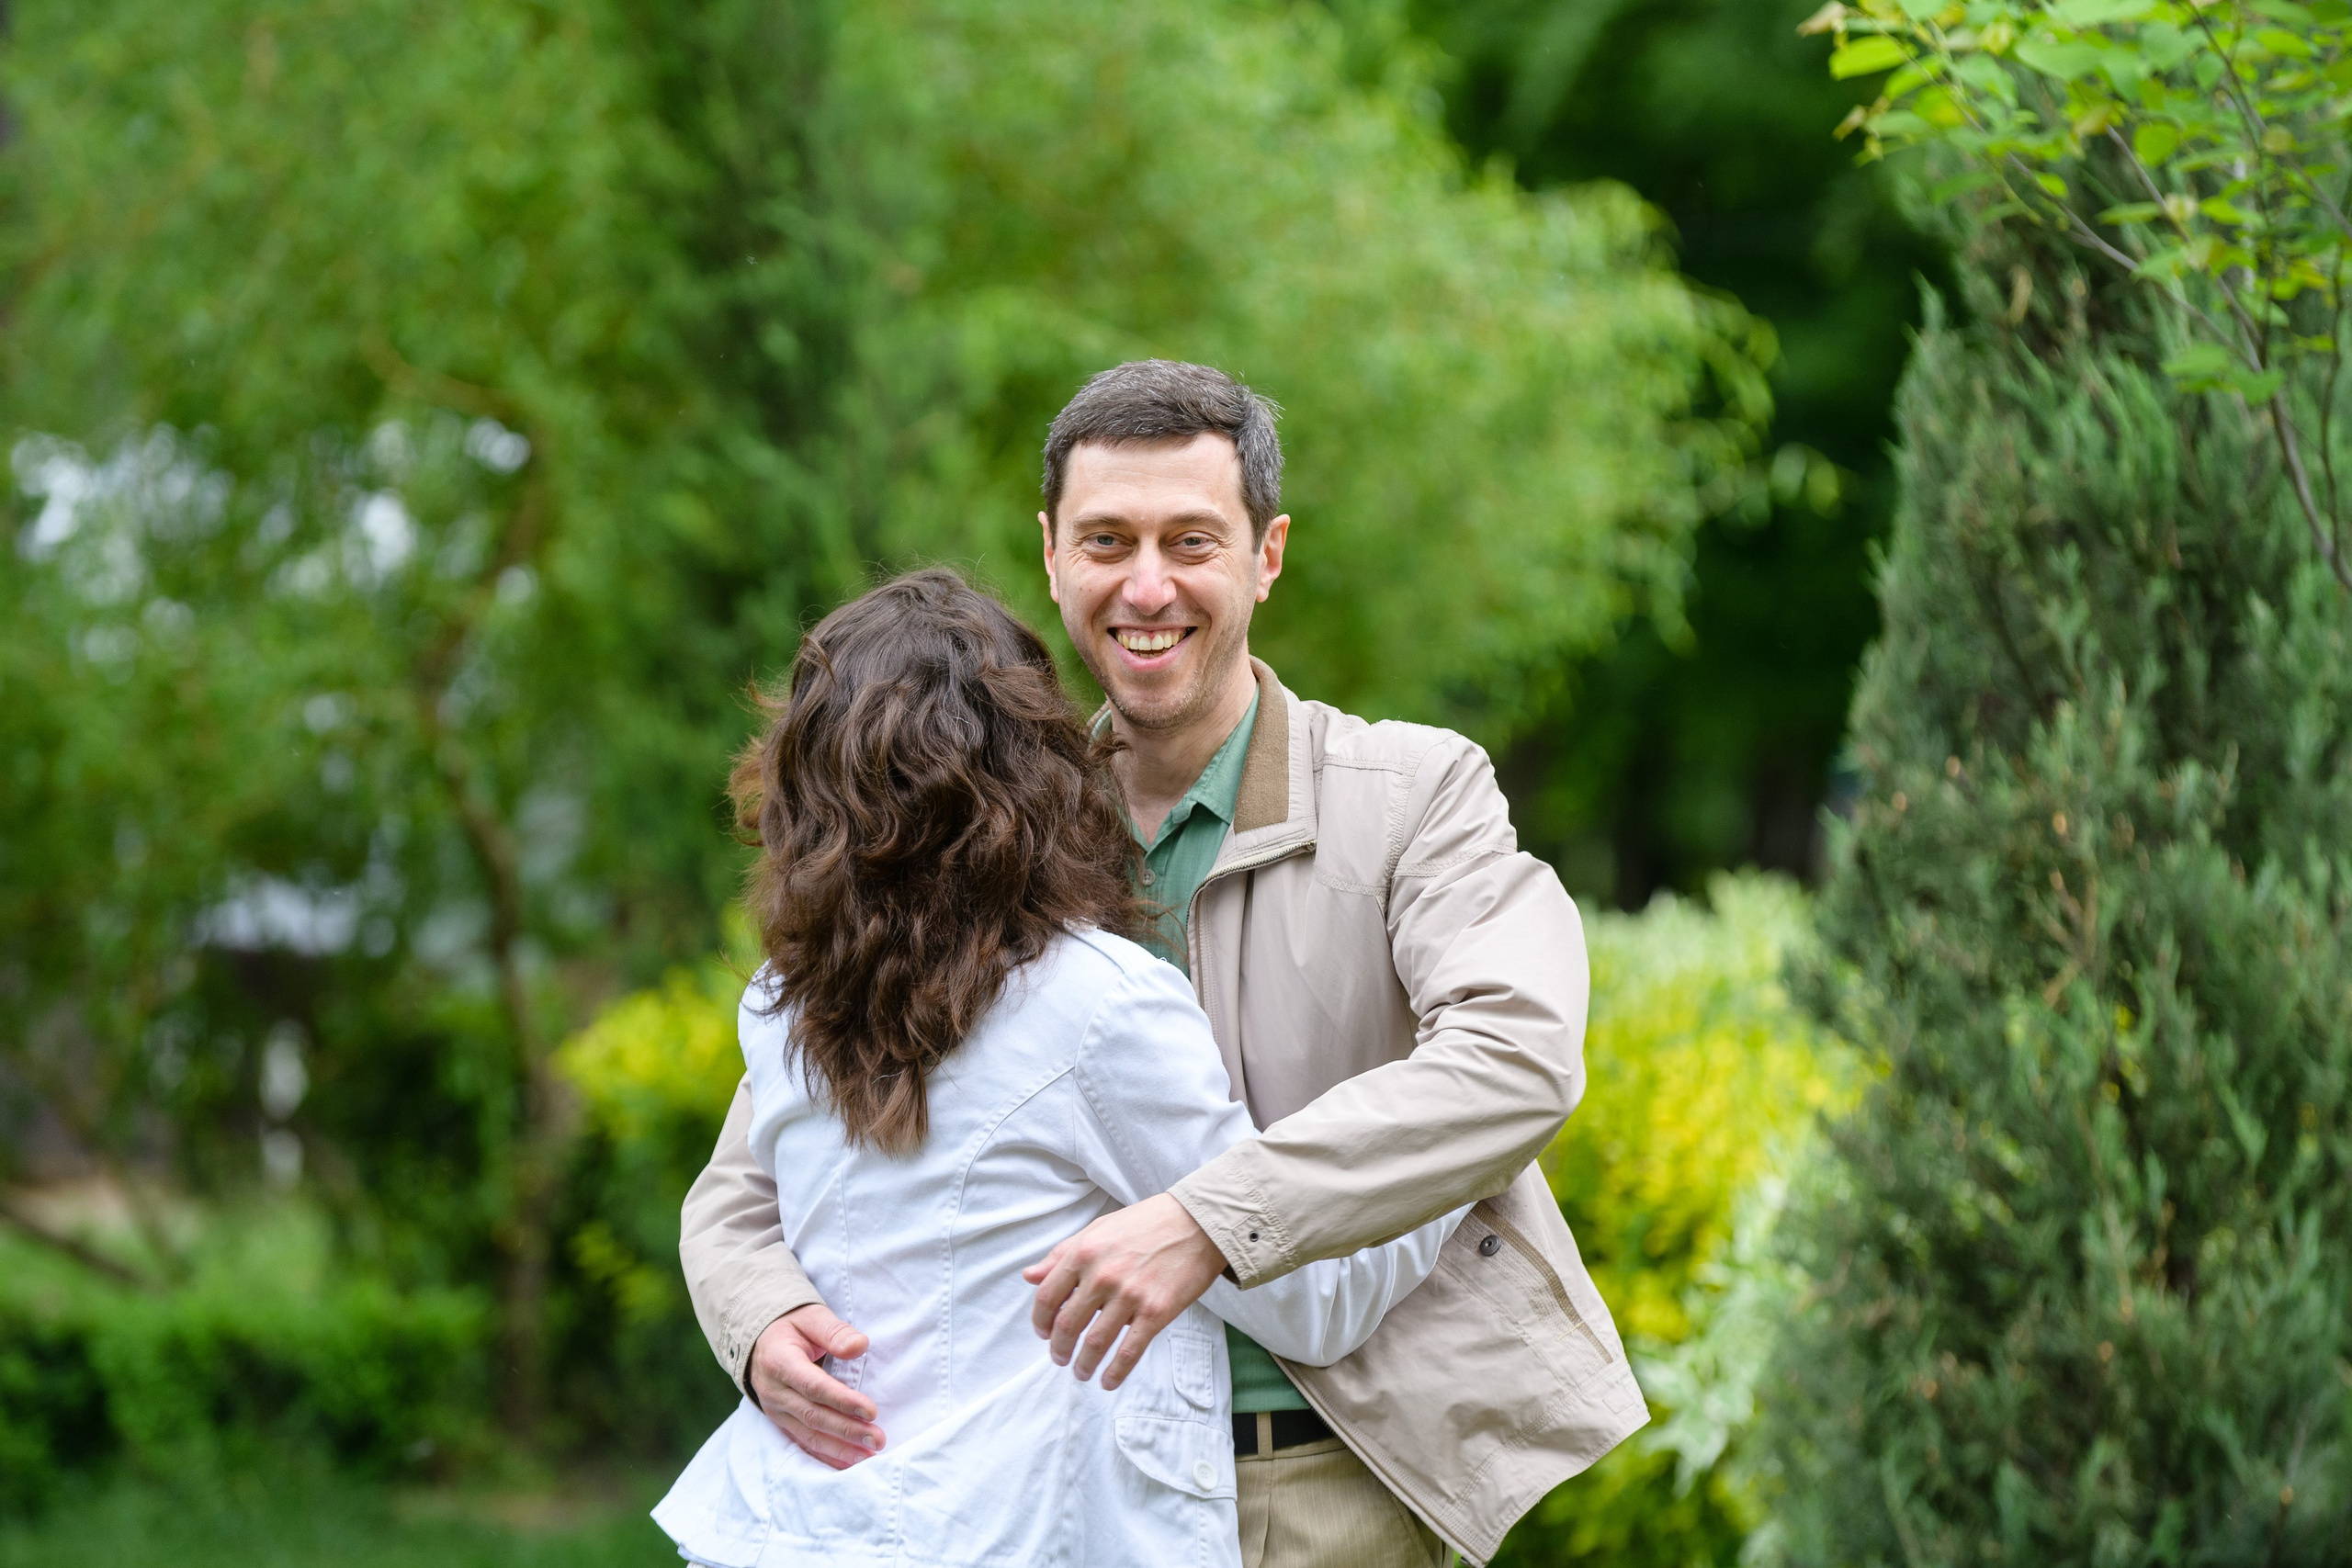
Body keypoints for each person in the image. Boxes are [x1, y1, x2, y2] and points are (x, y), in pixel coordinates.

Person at [680, 361, 1646, 1568]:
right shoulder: (976, 826)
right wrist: (760, 1314)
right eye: (1106, 541)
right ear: (1051, 555)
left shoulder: (1412, 796)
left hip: (1325, 1478)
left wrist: (1209, 1219)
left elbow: (1518, 1057)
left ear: (1267, 554)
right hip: (1059, 1499)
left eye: (1191, 540)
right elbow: (755, 1166)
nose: (1147, 586)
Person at [653, 570, 1466, 1567]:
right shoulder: (1093, 1002)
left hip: (779, 1528)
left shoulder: (782, 1000)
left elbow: (745, 1203)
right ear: (1029, 769)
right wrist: (1452, 1138)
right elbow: (1310, 1302)